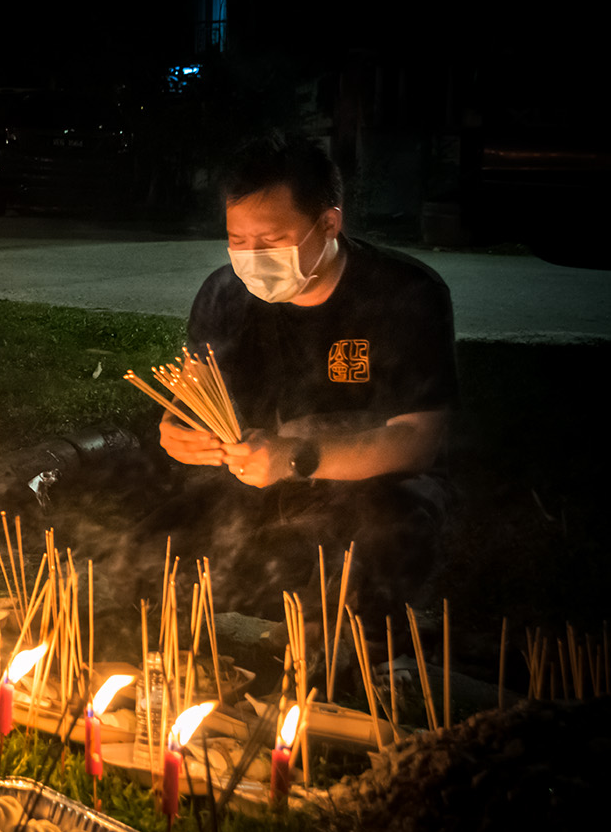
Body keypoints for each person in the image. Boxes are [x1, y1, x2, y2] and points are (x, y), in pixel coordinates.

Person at [154, 132, 458, 628]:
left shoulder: (403, 294)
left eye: (271, 241)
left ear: (328, 222)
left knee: (370, 548)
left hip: (376, 485)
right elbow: (189, 395)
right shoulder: (223, 295)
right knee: (154, 553)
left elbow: (417, 442)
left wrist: (296, 459)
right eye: (237, 240)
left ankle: (368, 644)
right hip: (256, 475)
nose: (251, 258)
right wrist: (179, 434)